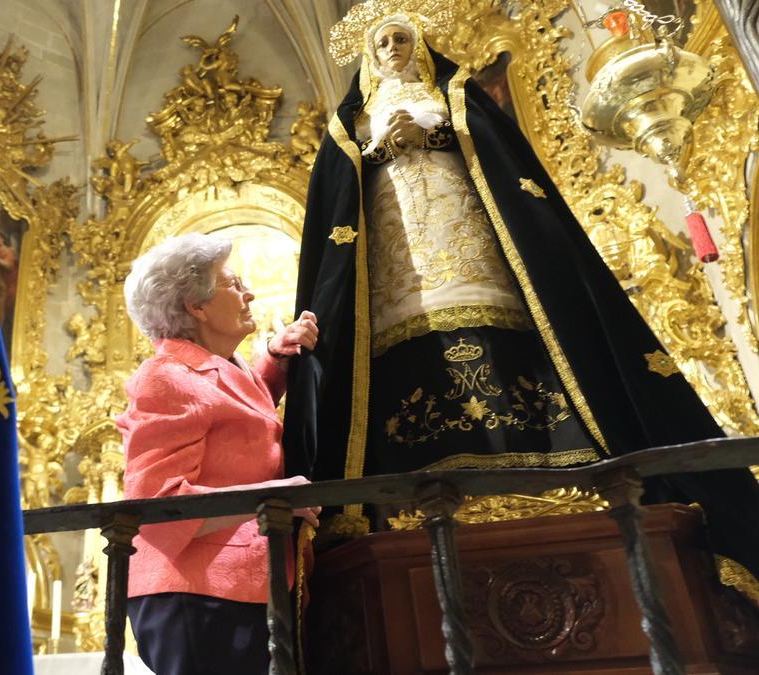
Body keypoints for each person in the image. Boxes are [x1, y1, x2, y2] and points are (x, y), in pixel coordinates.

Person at [282, 12, 759, 576]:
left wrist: (434, 135)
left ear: (420, 46)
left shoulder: (457, 95)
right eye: (382, 41)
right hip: (395, 260)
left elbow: (501, 161)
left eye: (402, 38)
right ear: (366, 54)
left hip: (470, 239)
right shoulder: (350, 123)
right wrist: (378, 151)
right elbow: (335, 206)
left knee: (507, 315)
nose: (392, 48)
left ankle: (557, 466)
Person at [117, 232, 322, 675]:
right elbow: (157, 505)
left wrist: (275, 359)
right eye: (234, 284)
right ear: (197, 306)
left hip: (240, 583)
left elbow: (237, 421)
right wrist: (274, 496)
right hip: (197, 593)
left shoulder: (224, 367)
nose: (249, 293)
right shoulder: (165, 376)